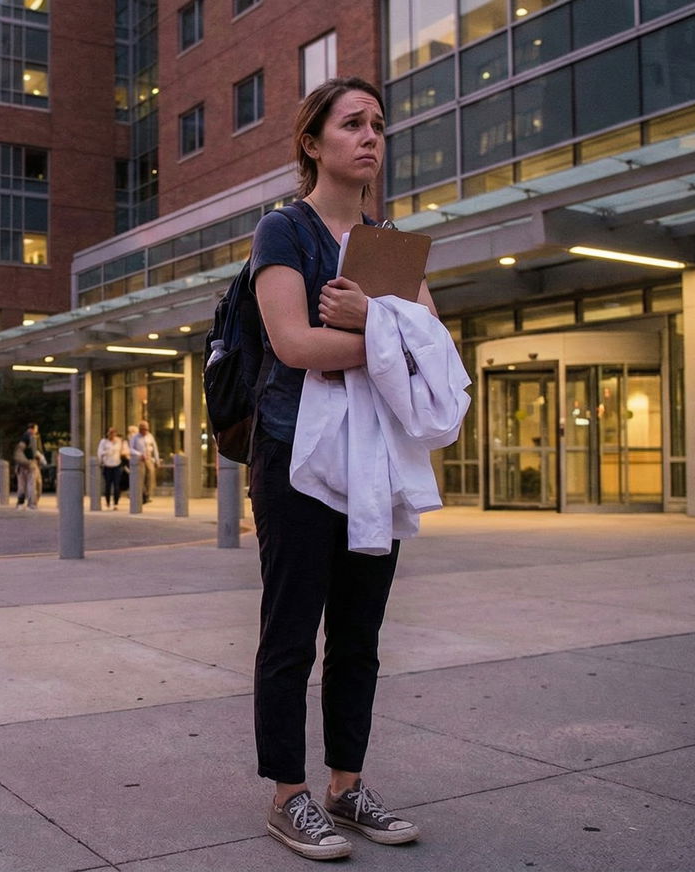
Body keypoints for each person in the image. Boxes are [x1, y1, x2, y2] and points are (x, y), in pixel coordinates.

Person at [247, 77, 428, 861]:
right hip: (294, 457)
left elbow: (437, 350)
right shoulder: (283, 232)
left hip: (373, 460)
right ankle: (289, 796)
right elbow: (293, 344)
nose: (370, 137)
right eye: (352, 123)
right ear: (312, 143)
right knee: (291, 634)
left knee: (361, 634)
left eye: (379, 125)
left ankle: (345, 785)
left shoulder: (390, 244)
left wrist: (376, 325)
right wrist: (389, 337)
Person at [128, 420, 160, 504]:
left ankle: (148, 494)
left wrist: (157, 460)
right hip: (140, 460)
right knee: (141, 478)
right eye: (143, 429)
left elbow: (155, 448)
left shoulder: (150, 436)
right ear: (140, 429)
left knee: (150, 477)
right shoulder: (135, 437)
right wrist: (139, 454)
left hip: (149, 458)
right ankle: (143, 495)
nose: (145, 431)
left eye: (146, 429)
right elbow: (131, 449)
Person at [14, 423, 43, 510]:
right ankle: (32, 504)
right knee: (33, 484)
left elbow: (19, 451)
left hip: (20, 465)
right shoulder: (32, 437)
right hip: (30, 464)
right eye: (36, 429)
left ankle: (20, 503)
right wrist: (39, 459)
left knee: (21, 485)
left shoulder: (22, 437)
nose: (37, 431)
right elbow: (34, 452)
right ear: (33, 429)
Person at [97, 426, 127, 509]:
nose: (112, 434)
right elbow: (99, 452)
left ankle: (116, 503)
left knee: (117, 485)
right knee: (108, 485)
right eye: (110, 433)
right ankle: (107, 502)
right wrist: (101, 461)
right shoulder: (104, 442)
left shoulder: (119, 441)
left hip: (117, 465)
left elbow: (124, 450)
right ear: (107, 433)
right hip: (107, 465)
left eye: (114, 433)